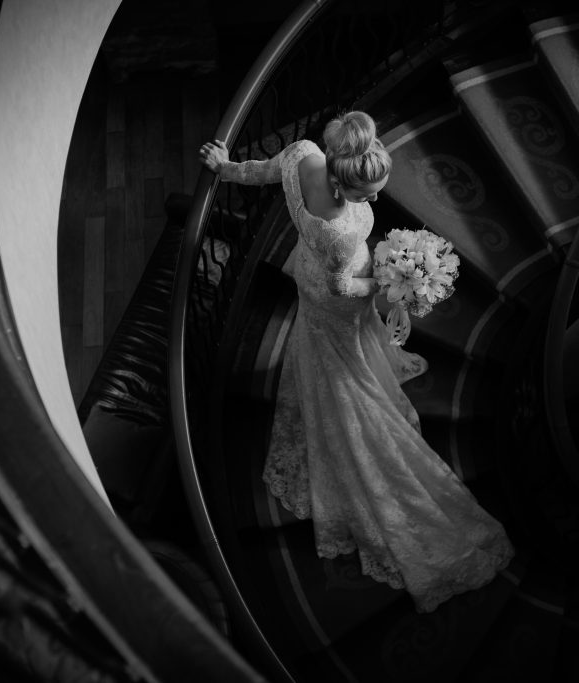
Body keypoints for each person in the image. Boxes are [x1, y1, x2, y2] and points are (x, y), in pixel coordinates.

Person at [199, 111, 512, 613]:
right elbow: (347, 285)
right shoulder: (343, 236)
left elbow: (260, 172)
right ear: (345, 191)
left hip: (308, 275)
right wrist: (391, 282)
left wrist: (225, 167)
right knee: (345, 368)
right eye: (369, 196)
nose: (376, 200)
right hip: (338, 296)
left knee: (321, 347)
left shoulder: (302, 154)